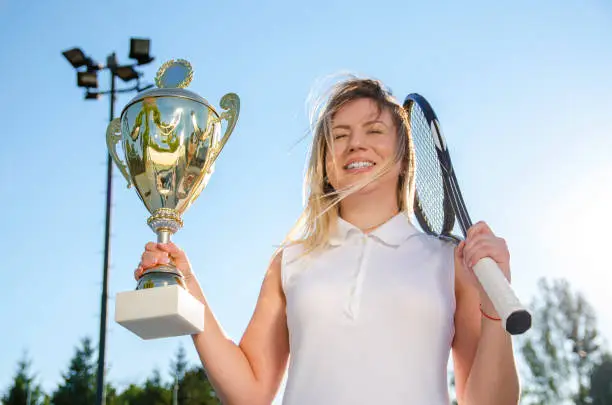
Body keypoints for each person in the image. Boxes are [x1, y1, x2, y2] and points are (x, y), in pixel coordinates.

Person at [135, 76, 521, 405]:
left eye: (374, 130)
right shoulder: (290, 261)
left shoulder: (450, 261)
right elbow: (249, 393)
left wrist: (493, 308)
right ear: (325, 164)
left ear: (405, 156)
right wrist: (188, 287)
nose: (356, 144)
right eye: (339, 135)